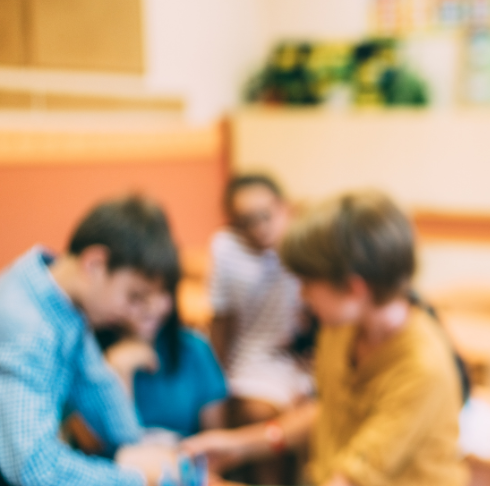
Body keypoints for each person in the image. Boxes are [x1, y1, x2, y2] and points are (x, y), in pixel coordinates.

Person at [183, 191, 468, 486]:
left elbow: (350, 478)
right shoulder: (342, 325)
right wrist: (241, 445)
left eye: (307, 282)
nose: (302, 295)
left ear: (354, 288)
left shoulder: (421, 368)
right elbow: (330, 410)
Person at [0, 196, 182, 486]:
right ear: (95, 264)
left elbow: (96, 383)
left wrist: (140, 448)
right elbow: (32, 469)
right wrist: (137, 478)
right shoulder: (26, 327)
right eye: (133, 296)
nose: (134, 314)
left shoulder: (59, 294)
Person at [208, 175, 312, 426]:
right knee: (260, 414)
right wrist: (215, 382)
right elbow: (222, 321)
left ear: (284, 208)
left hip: (301, 357)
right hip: (253, 358)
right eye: (247, 221)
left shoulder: (305, 244)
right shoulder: (227, 249)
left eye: (266, 215)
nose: (260, 227)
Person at [97, 265, 228, 439]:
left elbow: (216, 442)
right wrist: (120, 369)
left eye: (162, 292)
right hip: (119, 463)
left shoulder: (194, 349)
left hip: (184, 461)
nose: (151, 306)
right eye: (137, 296)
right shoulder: (93, 354)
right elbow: (107, 442)